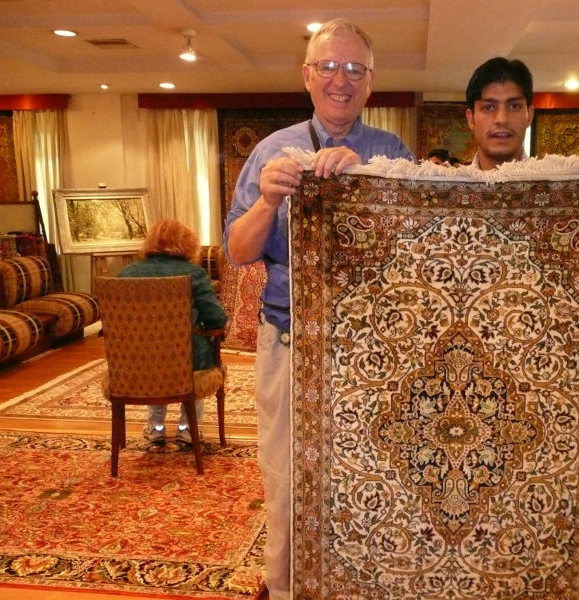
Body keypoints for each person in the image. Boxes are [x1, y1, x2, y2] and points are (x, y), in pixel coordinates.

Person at [223, 18, 413, 600]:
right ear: (307, 75)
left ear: (371, 81)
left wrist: (370, 185)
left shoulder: (391, 152)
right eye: (328, 66)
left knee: (372, 475)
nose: (341, 80)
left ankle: (360, 583)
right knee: (286, 476)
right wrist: (267, 200)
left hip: (373, 351)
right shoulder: (271, 152)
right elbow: (238, 251)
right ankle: (286, 588)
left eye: (355, 69)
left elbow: (420, 251)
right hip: (289, 340)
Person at [465, 57, 579, 225]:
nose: (501, 119)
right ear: (471, 119)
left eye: (514, 106)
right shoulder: (450, 192)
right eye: (488, 107)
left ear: (529, 115)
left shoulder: (571, 193)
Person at [120, 218, 228, 446]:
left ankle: (156, 427)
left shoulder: (127, 273)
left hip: (136, 359)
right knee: (190, 356)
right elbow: (216, 318)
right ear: (188, 244)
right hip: (186, 359)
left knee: (154, 358)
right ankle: (187, 429)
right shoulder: (194, 274)